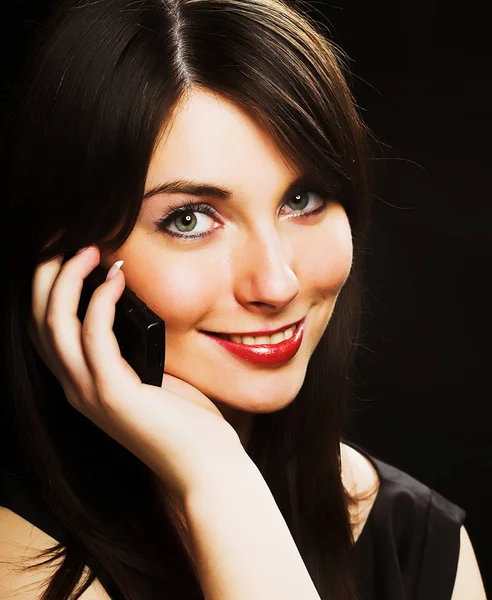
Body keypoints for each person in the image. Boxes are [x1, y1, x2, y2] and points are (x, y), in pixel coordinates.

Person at [0, 0, 486, 598]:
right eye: (188, 219)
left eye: (303, 199)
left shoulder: (415, 538)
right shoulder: (16, 565)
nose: (277, 283)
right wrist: (216, 474)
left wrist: (218, 476)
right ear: (70, 260)